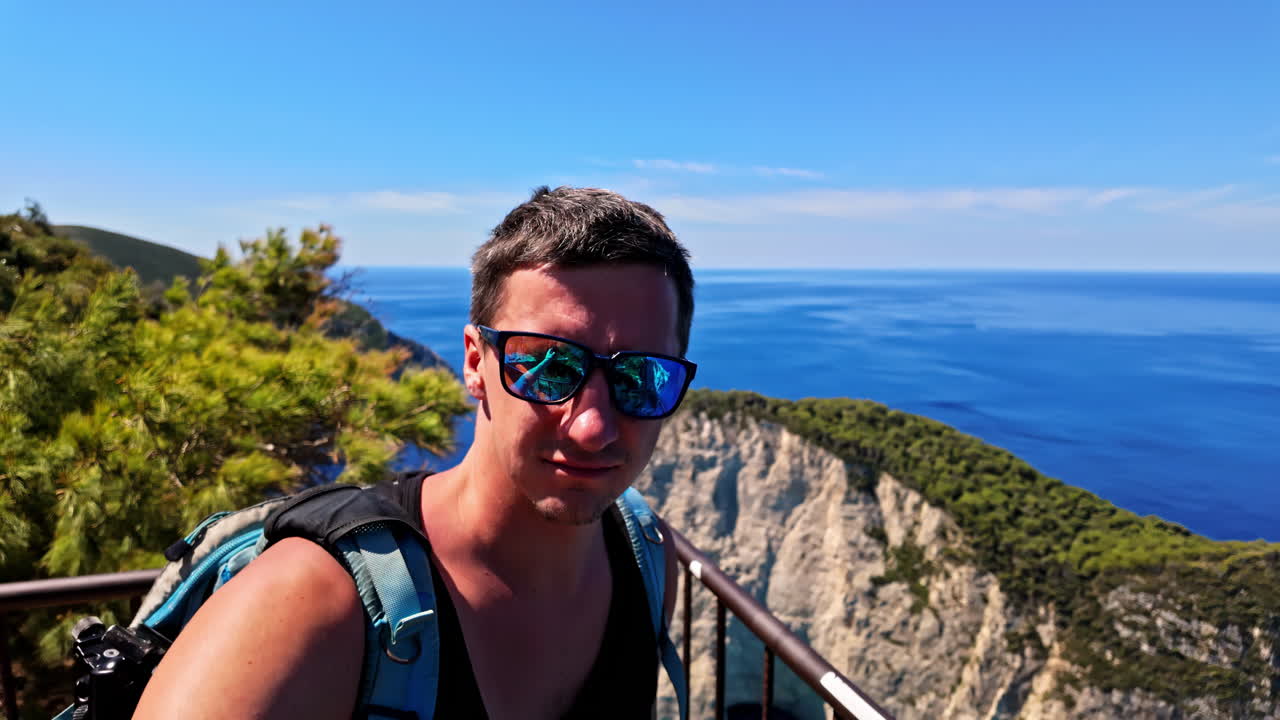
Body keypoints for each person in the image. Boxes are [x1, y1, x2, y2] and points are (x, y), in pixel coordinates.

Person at [133, 186, 697, 720]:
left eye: (642, 377)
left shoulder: (647, 560)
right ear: (476, 363)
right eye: (548, 366)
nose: (593, 428)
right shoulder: (309, 604)